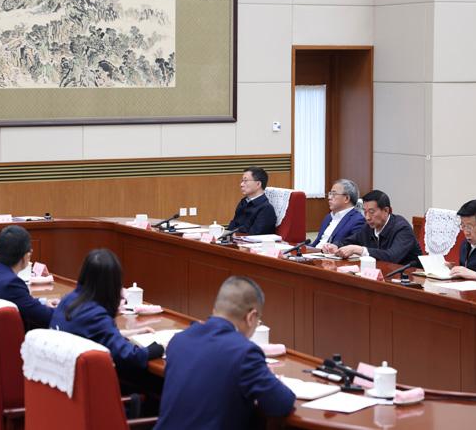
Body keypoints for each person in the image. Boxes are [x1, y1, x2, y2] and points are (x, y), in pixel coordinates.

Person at [155, 276, 295, 429]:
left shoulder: (179, 340)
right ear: (251, 317)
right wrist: (273, 380)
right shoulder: (245, 352)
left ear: (215, 309)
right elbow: (281, 404)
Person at [50, 249, 164, 373]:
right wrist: (161, 347)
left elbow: (94, 334)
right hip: (88, 381)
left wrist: (134, 333)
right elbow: (130, 356)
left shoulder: (68, 299)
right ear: (112, 283)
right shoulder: (95, 315)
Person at [0, 225, 58, 329]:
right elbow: (47, 317)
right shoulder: (12, 284)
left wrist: (42, 302)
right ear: (27, 256)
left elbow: (23, 301)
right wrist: (63, 307)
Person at [321, 190, 421, 266]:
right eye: (365, 212)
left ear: (386, 210)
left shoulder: (402, 228)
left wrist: (360, 250)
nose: (367, 217)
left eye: (371, 212)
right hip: (380, 273)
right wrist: (335, 246)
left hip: (409, 278)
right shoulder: (368, 227)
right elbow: (349, 241)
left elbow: (392, 257)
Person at [310, 179, 365, 247]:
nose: (329, 198)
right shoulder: (328, 217)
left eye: (334, 194)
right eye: (330, 194)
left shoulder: (358, 220)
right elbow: (316, 243)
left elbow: (351, 248)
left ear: (346, 198)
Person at [227, 166, 277, 235]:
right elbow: (233, 226)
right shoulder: (243, 202)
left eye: (245, 181)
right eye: (242, 181)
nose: (241, 185)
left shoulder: (266, 208)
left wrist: (233, 234)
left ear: (258, 184)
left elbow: (254, 235)